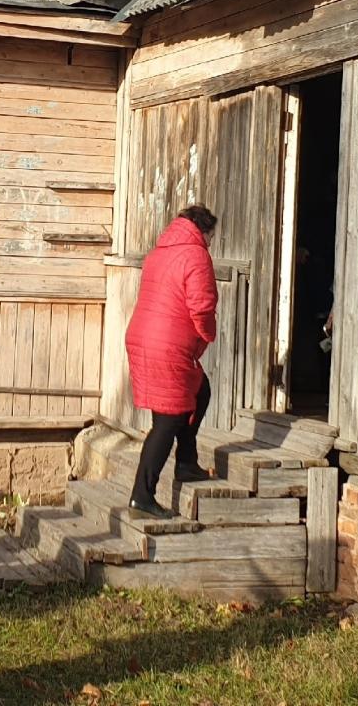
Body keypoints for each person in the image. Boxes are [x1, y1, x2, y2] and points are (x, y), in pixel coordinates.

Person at [125, 204, 220, 519]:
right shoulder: (196, 255)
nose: (210, 242)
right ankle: (142, 495)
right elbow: (202, 307)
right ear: (203, 231)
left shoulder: (159, 252)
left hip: (145, 337)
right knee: (167, 421)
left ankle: (186, 463)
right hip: (169, 345)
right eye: (211, 236)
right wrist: (207, 335)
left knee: (199, 391)